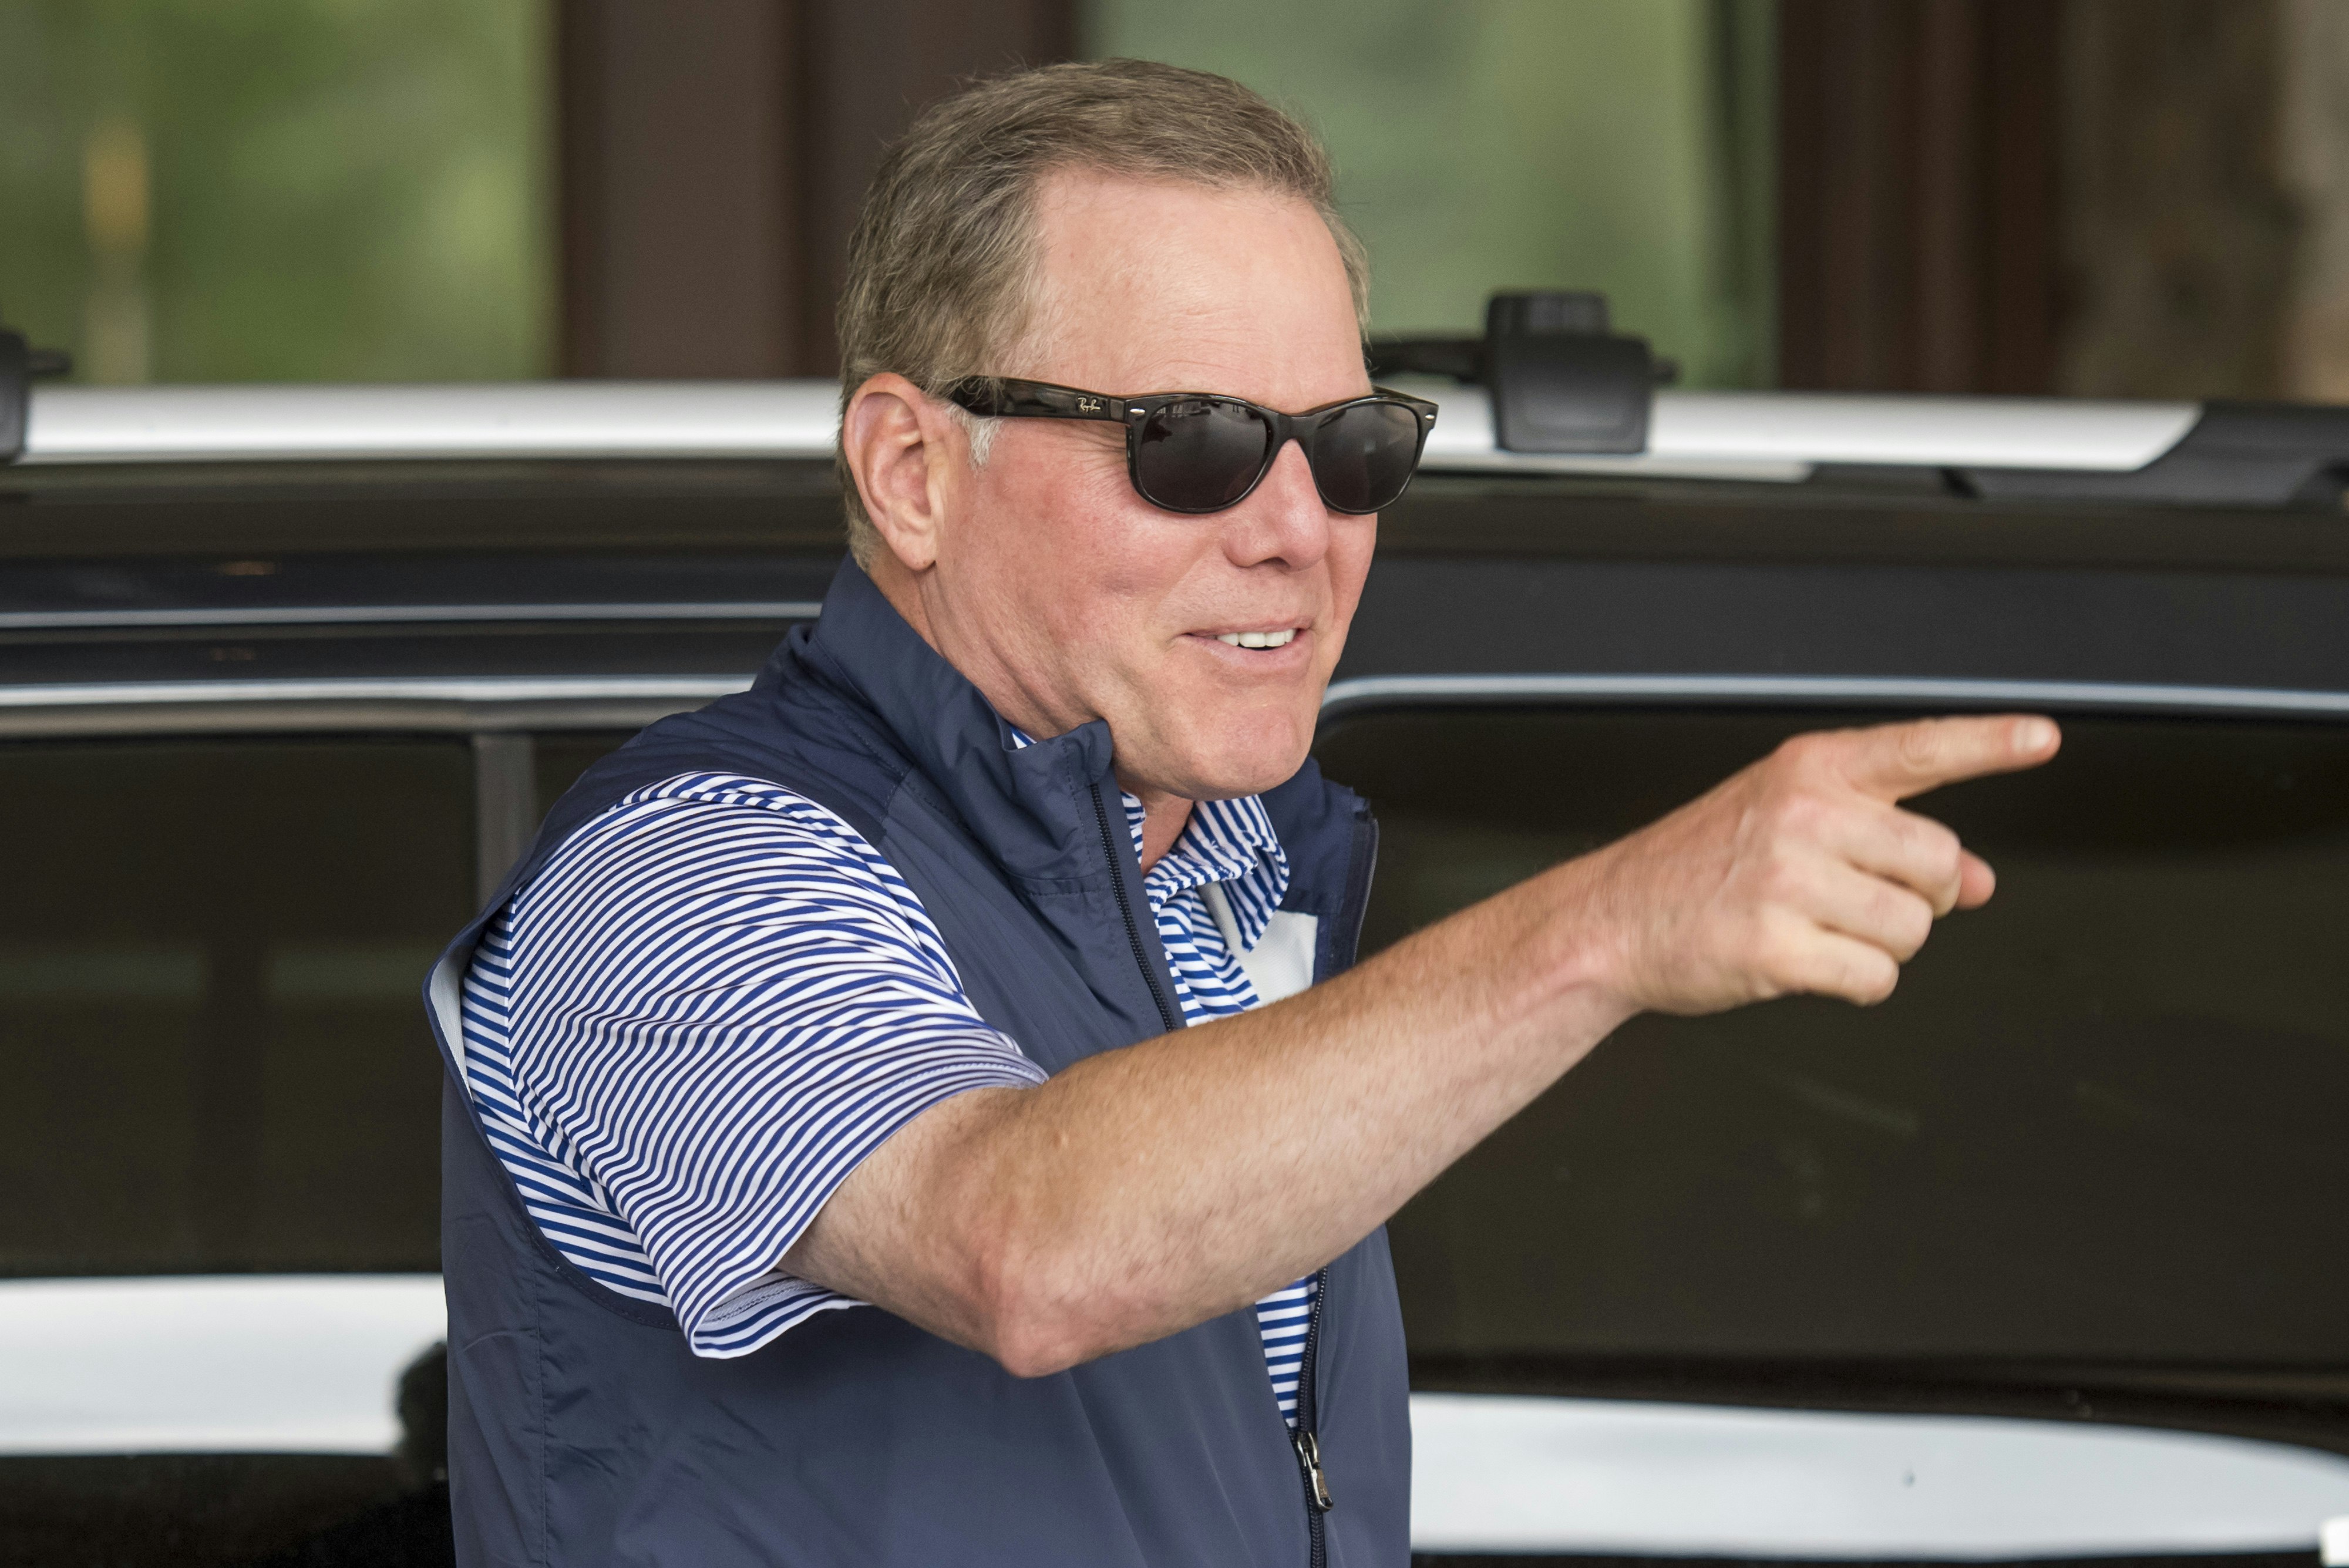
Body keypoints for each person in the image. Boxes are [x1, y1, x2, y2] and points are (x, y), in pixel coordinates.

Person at [423, 58, 2059, 1567]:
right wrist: (1615, 928)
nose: (1299, 528)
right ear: (913, 473)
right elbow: (1024, 1241)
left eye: (1349, 446)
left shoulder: (1226, 880)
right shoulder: (687, 872)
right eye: (1188, 443)